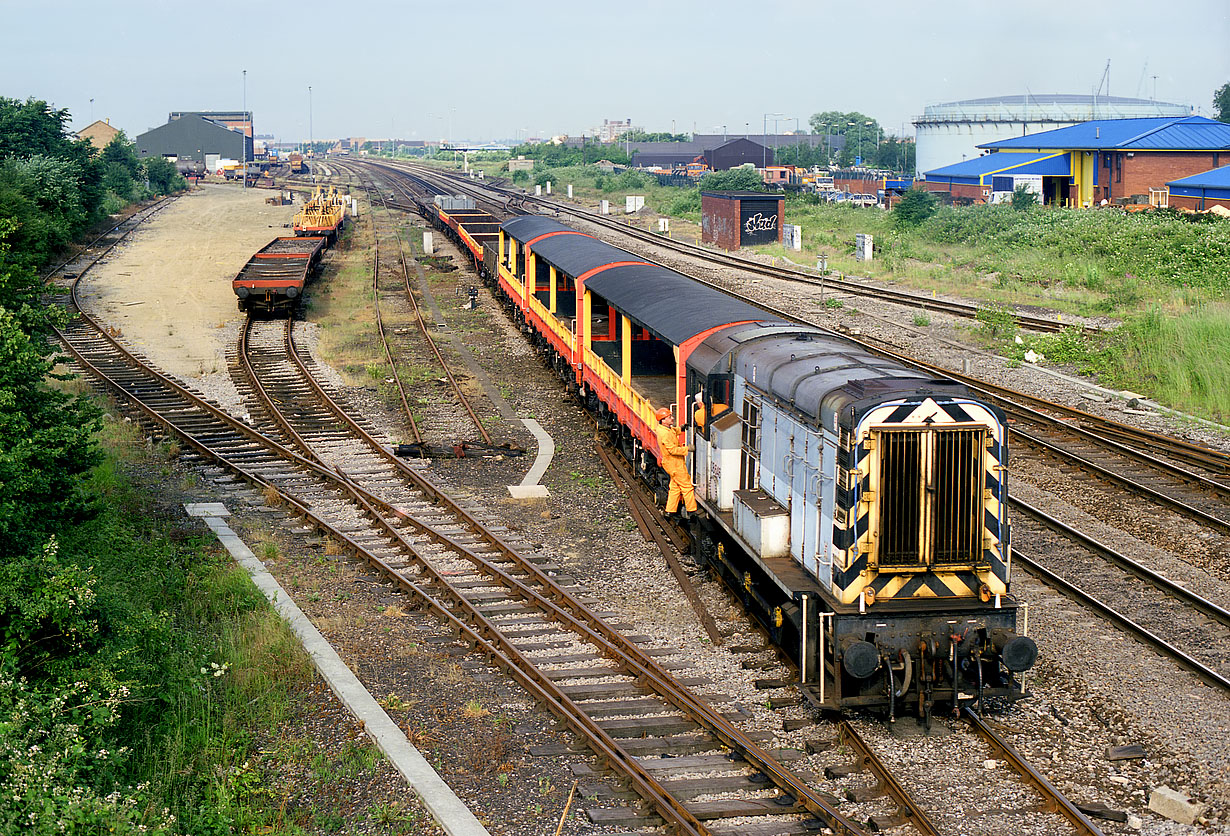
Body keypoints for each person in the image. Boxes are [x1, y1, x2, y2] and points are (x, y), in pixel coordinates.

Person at [655, 406, 697, 519]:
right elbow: (672, 450)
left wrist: (681, 428)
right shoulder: (665, 434)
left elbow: (673, 431)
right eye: (669, 417)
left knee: (675, 487)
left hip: (672, 464)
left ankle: (670, 511)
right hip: (675, 464)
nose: (672, 418)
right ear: (663, 420)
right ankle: (692, 511)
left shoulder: (664, 429)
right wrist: (688, 449)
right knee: (687, 487)